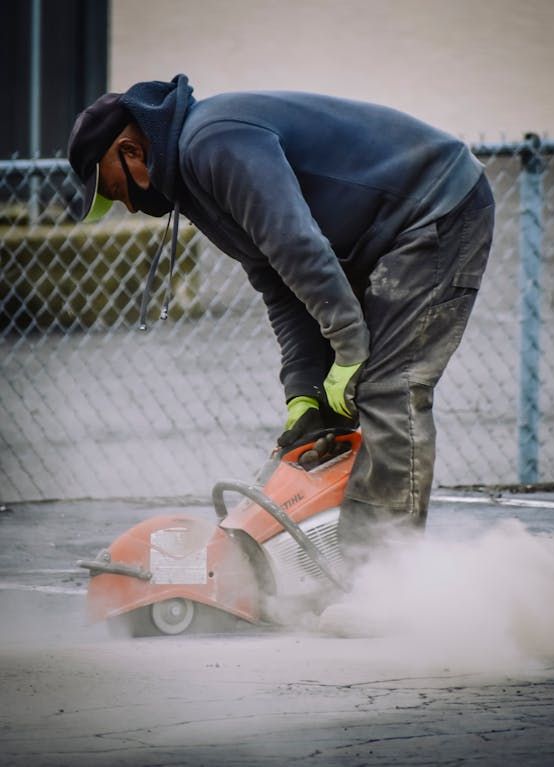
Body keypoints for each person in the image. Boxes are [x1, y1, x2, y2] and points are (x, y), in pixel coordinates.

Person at [68, 74, 494, 557]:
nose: (124, 204)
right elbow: (278, 282)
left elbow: (297, 245)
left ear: (131, 151)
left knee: (386, 386)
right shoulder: (192, 180)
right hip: (380, 232)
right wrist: (304, 394)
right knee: (334, 408)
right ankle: (333, 561)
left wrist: (350, 348)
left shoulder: (213, 142)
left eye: (113, 188)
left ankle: (385, 579)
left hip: (433, 206)